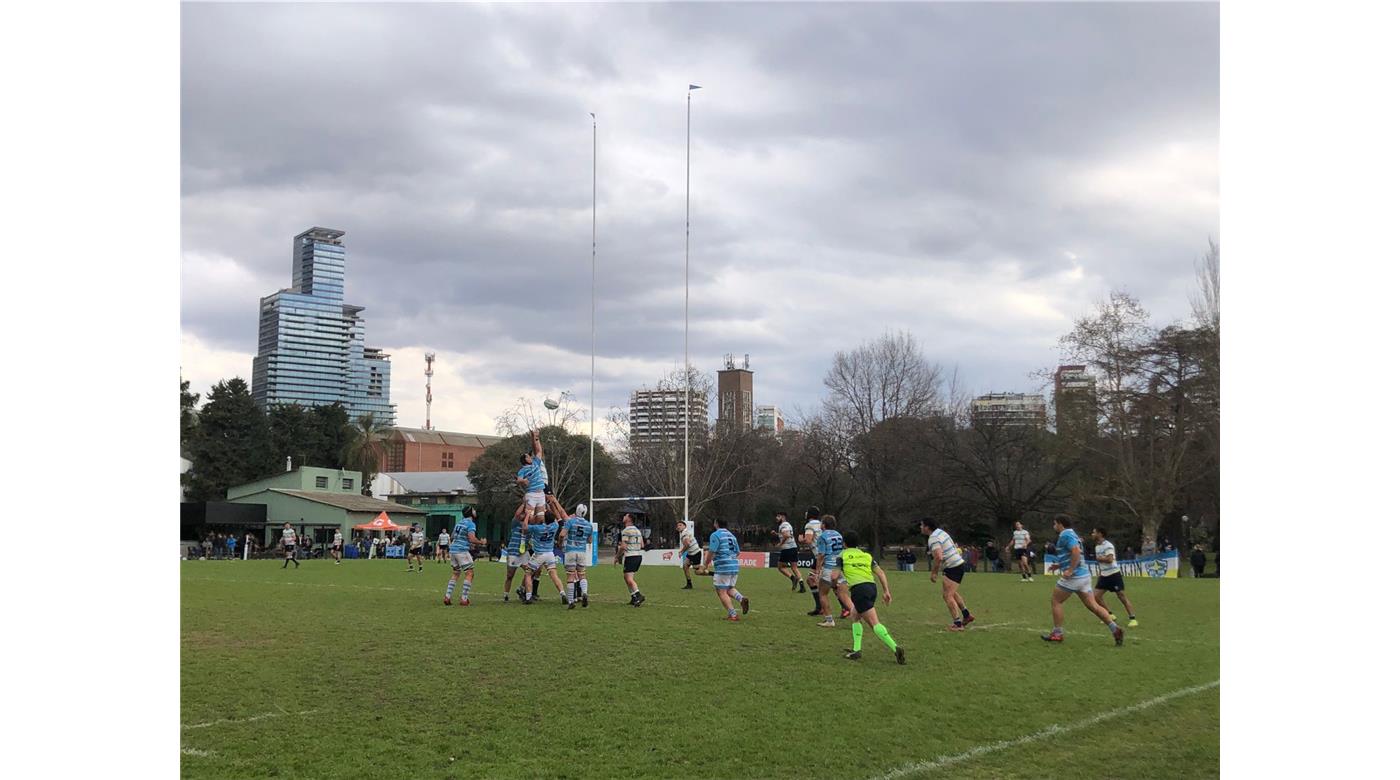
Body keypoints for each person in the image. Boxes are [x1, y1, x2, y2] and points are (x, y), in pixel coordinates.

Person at [1042, 515, 1124, 646]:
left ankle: (1057, 633)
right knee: (1093, 606)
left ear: (1060, 524)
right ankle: (1115, 628)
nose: (1054, 526)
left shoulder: (1065, 535)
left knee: (1056, 601)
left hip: (1075, 577)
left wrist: (1070, 570)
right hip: (1084, 576)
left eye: (1055, 523)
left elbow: (1075, 551)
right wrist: (1060, 565)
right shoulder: (1073, 534)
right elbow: (1074, 553)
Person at [838, 530, 904, 664]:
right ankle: (856, 650)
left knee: (874, 623)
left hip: (859, 589)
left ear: (844, 543)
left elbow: (834, 575)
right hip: (871, 588)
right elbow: (880, 573)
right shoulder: (866, 556)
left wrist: (835, 582)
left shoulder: (843, 555)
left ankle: (895, 648)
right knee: (855, 615)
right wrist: (886, 591)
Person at [921, 519, 976, 631]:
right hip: (957, 565)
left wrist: (934, 573)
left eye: (922, 525)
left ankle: (958, 624)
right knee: (952, 593)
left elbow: (939, 557)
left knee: (947, 596)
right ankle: (966, 615)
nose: (920, 527)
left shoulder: (933, 538)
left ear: (927, 527)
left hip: (953, 567)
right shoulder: (940, 532)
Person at [1091, 527, 1139, 627]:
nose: (1092, 534)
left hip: (1113, 574)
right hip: (1104, 575)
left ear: (1100, 534)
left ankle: (1133, 619)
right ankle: (1109, 614)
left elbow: (1110, 559)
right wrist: (1100, 573)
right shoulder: (1097, 547)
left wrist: (1100, 558)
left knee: (1121, 596)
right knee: (1096, 597)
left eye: (1094, 532)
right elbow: (1102, 562)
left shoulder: (1108, 545)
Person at [704, 518, 750, 621]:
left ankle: (733, 615)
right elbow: (737, 552)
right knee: (729, 588)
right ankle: (741, 599)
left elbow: (712, 551)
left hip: (723, 566)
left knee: (721, 591)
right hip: (734, 565)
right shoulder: (732, 536)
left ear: (716, 523)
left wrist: (706, 564)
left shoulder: (715, 535)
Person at [814, 515, 855, 628]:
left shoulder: (822, 536)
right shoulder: (839, 534)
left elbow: (821, 555)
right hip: (840, 567)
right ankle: (856, 616)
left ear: (824, 524)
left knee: (822, 593)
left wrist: (817, 571)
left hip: (829, 568)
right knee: (843, 594)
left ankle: (829, 620)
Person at [522, 506, 567, 605]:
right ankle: (562, 594)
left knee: (528, 573)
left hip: (539, 554)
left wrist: (528, 515)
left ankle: (528, 597)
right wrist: (550, 507)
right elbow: (557, 519)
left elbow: (525, 527)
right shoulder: (554, 526)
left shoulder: (538, 528)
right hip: (550, 554)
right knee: (554, 575)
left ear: (544, 518)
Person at [553, 495, 592, 608]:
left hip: (570, 550)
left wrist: (560, 544)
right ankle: (584, 593)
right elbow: (589, 540)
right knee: (582, 574)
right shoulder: (589, 525)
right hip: (582, 552)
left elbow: (562, 535)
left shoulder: (571, 522)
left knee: (570, 576)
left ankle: (571, 602)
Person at [443, 508, 488, 606]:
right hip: (461, 550)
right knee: (470, 573)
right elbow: (472, 538)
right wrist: (481, 542)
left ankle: (447, 596)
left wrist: (466, 541)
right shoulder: (470, 524)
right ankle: (464, 599)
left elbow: (452, 536)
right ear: (471, 513)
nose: (475, 511)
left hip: (453, 550)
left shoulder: (459, 523)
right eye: (474, 510)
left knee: (456, 573)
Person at [514, 429, 549, 524]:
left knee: (541, 519)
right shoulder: (523, 469)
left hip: (541, 494)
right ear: (526, 459)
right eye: (528, 456)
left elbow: (539, 451)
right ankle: (525, 537)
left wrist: (536, 438)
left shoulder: (536, 463)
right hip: (531, 495)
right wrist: (523, 481)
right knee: (529, 518)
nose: (530, 457)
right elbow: (518, 480)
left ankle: (536, 536)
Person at [502, 505, 530, 602]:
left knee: (530, 571)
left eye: (524, 513)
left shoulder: (529, 526)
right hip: (513, 552)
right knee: (510, 575)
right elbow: (517, 514)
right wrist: (524, 503)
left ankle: (521, 589)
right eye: (523, 513)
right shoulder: (515, 524)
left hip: (523, 553)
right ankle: (506, 595)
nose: (523, 515)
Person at [772, 511, 805, 592]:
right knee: (794, 568)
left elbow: (786, 535)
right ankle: (802, 585)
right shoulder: (788, 524)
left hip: (787, 549)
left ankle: (793, 578)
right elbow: (786, 534)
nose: (776, 518)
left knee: (780, 567)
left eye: (778, 516)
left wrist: (780, 544)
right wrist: (776, 534)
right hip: (793, 547)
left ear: (783, 517)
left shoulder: (783, 525)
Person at [618, 513, 646, 607]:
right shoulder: (637, 530)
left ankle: (638, 595)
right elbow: (642, 545)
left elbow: (623, 546)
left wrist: (617, 556)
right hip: (638, 555)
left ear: (629, 519)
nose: (623, 517)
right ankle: (633, 597)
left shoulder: (626, 530)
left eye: (625, 516)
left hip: (631, 556)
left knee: (629, 578)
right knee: (627, 577)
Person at [801, 506, 825, 615]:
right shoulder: (821, 524)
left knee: (829, 583)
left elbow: (809, 540)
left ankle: (845, 607)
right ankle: (819, 607)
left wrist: (802, 540)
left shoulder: (809, 525)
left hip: (820, 556)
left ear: (809, 514)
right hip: (821, 556)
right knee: (811, 580)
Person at [676, 520, 703, 589]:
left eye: (680, 525)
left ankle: (713, 574)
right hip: (691, 553)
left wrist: (681, 551)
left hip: (695, 553)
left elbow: (687, 544)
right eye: (677, 526)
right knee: (685, 566)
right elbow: (687, 544)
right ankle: (689, 584)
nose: (678, 527)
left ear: (684, 526)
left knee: (698, 572)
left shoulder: (684, 533)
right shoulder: (684, 533)